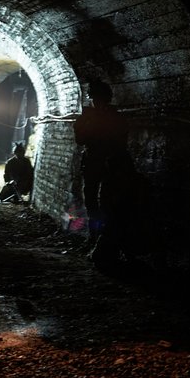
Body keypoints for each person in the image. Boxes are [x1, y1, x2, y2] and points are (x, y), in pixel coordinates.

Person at [73, 79, 140, 271]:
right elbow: (80, 139)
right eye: (95, 99)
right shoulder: (105, 117)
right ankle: (98, 239)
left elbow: (118, 140)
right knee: (94, 202)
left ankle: (109, 241)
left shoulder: (111, 117)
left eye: (97, 98)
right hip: (103, 165)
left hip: (110, 165)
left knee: (109, 204)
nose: (96, 102)